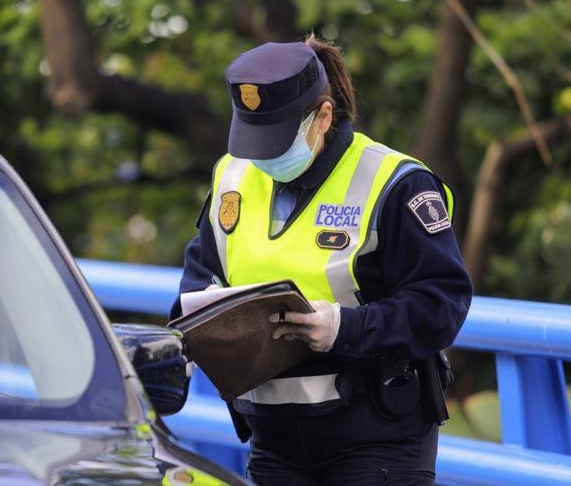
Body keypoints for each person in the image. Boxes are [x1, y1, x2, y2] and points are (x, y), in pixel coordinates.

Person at [171, 35, 472, 485]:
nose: (262, 157)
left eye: (275, 141)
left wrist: (343, 327)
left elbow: (441, 305)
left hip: (376, 436)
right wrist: (192, 335)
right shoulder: (233, 176)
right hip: (274, 438)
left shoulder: (396, 184)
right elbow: (197, 283)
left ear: (323, 117)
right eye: (253, 141)